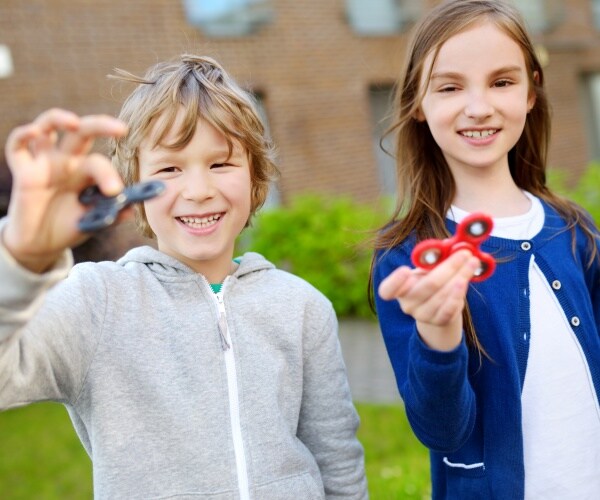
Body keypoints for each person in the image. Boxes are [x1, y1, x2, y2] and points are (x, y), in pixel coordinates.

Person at [0, 54, 368, 499]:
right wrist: (20, 257)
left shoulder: (302, 307)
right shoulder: (97, 303)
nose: (198, 190)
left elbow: (337, 461)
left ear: (255, 177)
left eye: (220, 164)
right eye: (169, 169)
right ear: (132, 185)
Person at [370, 1, 600, 499]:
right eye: (450, 87)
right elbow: (441, 430)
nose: (479, 106)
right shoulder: (406, 259)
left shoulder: (576, 231)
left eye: (502, 82)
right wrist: (439, 334)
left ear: (531, 91)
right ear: (417, 102)